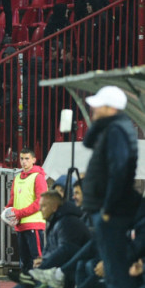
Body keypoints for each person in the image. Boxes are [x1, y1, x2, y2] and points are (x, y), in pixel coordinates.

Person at [81, 86, 140, 288]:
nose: (94, 109)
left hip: (110, 210)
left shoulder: (117, 130)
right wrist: (98, 122)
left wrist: (108, 207)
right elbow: (88, 143)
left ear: (110, 107)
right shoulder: (113, 127)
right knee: (112, 265)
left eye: (99, 106)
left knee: (115, 268)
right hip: (106, 208)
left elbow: (119, 172)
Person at [5, 148, 48, 276]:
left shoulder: (38, 177)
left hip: (33, 224)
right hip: (20, 225)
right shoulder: (17, 178)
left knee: (37, 259)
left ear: (34, 160)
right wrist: (7, 210)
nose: (24, 162)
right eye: (22, 159)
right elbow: (13, 199)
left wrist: (19, 213)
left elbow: (41, 202)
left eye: (27, 159)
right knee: (25, 262)